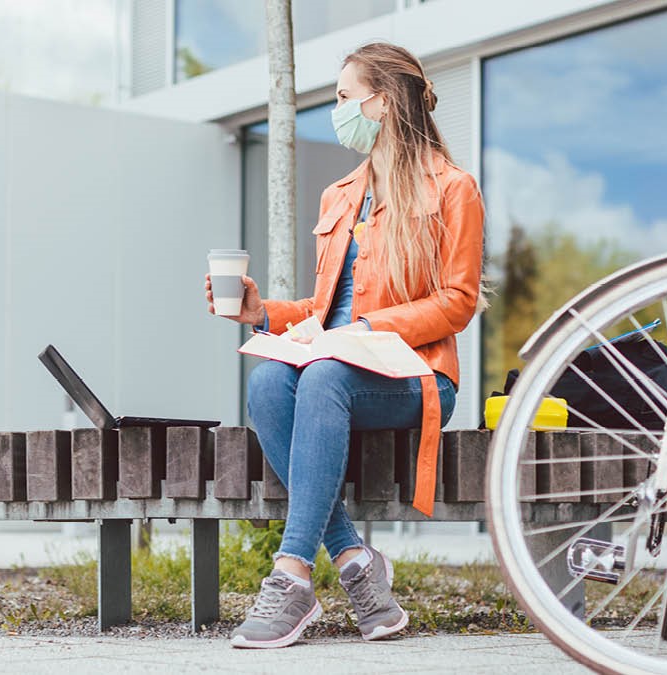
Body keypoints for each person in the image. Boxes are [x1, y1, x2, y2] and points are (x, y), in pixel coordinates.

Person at [205, 42, 484, 649]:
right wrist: (264, 312)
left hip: (418, 376)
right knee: (268, 379)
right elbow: (325, 309)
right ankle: (356, 563)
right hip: (340, 363)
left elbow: (459, 301)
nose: (336, 109)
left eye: (343, 96)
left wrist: (370, 332)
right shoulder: (340, 195)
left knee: (325, 374)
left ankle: (292, 573)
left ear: (381, 102)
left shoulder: (452, 188)